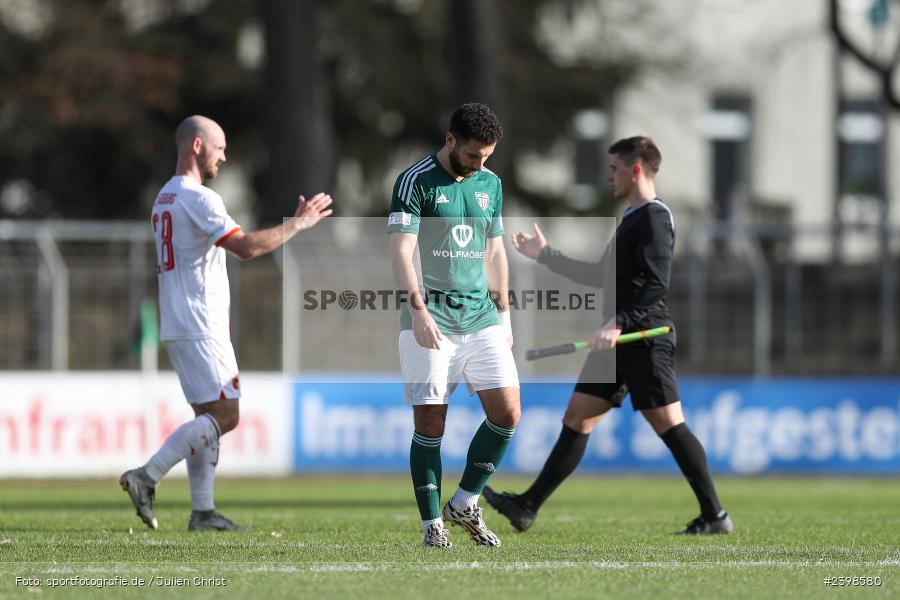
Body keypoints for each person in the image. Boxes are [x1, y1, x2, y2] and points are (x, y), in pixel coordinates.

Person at [483, 136, 733, 535]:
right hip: (615, 340)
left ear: (636, 170)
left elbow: (656, 283)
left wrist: (619, 322)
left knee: (669, 424)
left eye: (614, 168)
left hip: (642, 337)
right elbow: (602, 276)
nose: (608, 176)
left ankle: (715, 516)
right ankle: (527, 506)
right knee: (577, 417)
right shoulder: (632, 218)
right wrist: (546, 255)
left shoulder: (654, 216)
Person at [120, 115, 332, 531]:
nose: (224, 155)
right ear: (197, 146)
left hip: (180, 320)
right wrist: (297, 224)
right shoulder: (199, 197)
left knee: (207, 415)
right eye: (219, 147)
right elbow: (246, 248)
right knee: (227, 415)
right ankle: (145, 477)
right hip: (201, 322)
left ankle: (202, 512)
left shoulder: (164, 196)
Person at [388, 103, 520, 548]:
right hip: (433, 319)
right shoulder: (415, 181)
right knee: (431, 422)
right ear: (450, 141)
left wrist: (504, 314)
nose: (481, 164)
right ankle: (431, 524)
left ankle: (464, 501)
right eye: (474, 155)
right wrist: (419, 311)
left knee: (507, 412)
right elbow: (401, 251)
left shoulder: (491, 184)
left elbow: (496, 252)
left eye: (488, 156)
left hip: (481, 316)